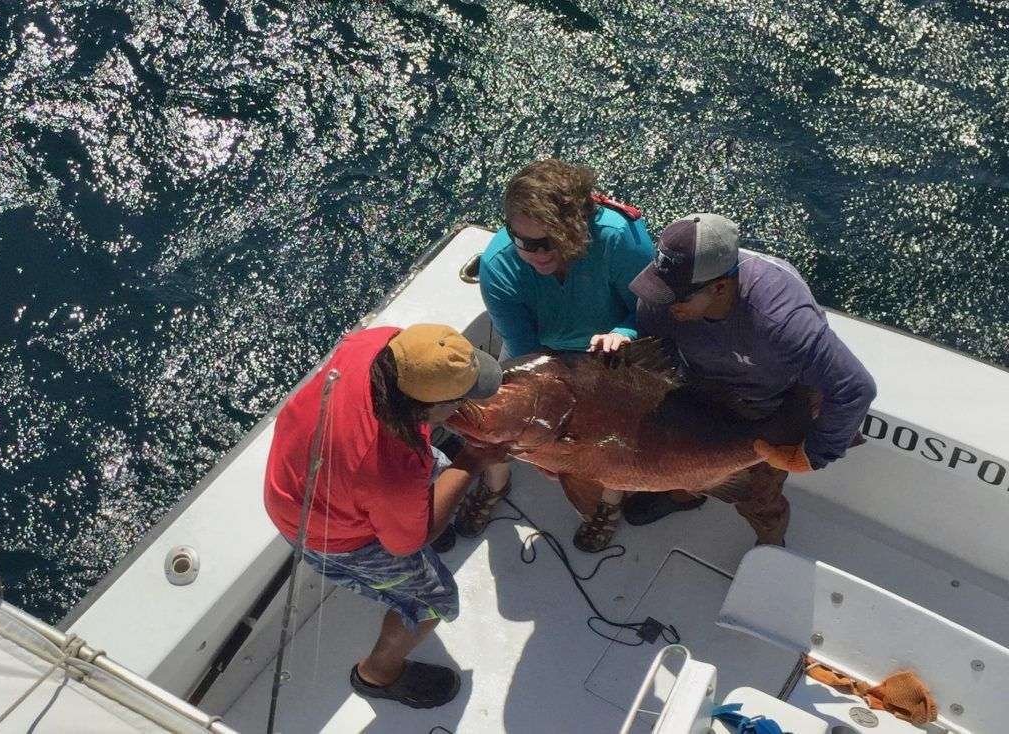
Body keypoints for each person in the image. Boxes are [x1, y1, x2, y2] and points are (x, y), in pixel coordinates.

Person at [264, 323, 505, 709]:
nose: (464, 405)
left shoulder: (378, 344)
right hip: (332, 531)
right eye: (458, 400)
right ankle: (377, 675)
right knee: (432, 600)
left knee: (438, 470)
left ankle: (424, 510)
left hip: (297, 474)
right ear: (423, 408)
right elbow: (408, 541)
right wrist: (473, 459)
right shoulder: (389, 466)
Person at [626, 213, 877, 546]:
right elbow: (657, 355)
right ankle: (684, 495)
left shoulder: (779, 321)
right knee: (668, 456)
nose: (661, 301)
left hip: (775, 400)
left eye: (677, 296)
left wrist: (813, 455)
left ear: (719, 286)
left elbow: (855, 387)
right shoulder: (661, 301)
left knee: (758, 496)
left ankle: (770, 540)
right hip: (704, 387)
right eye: (658, 288)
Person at [454, 158, 657, 552]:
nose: (535, 253)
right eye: (523, 240)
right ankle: (495, 482)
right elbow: (528, 353)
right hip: (539, 353)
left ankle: (609, 503)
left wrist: (624, 333)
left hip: (611, 354)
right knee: (488, 413)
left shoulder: (621, 238)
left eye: (550, 242)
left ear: (580, 226)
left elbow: (651, 310)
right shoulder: (500, 267)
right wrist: (547, 447)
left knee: (617, 429)